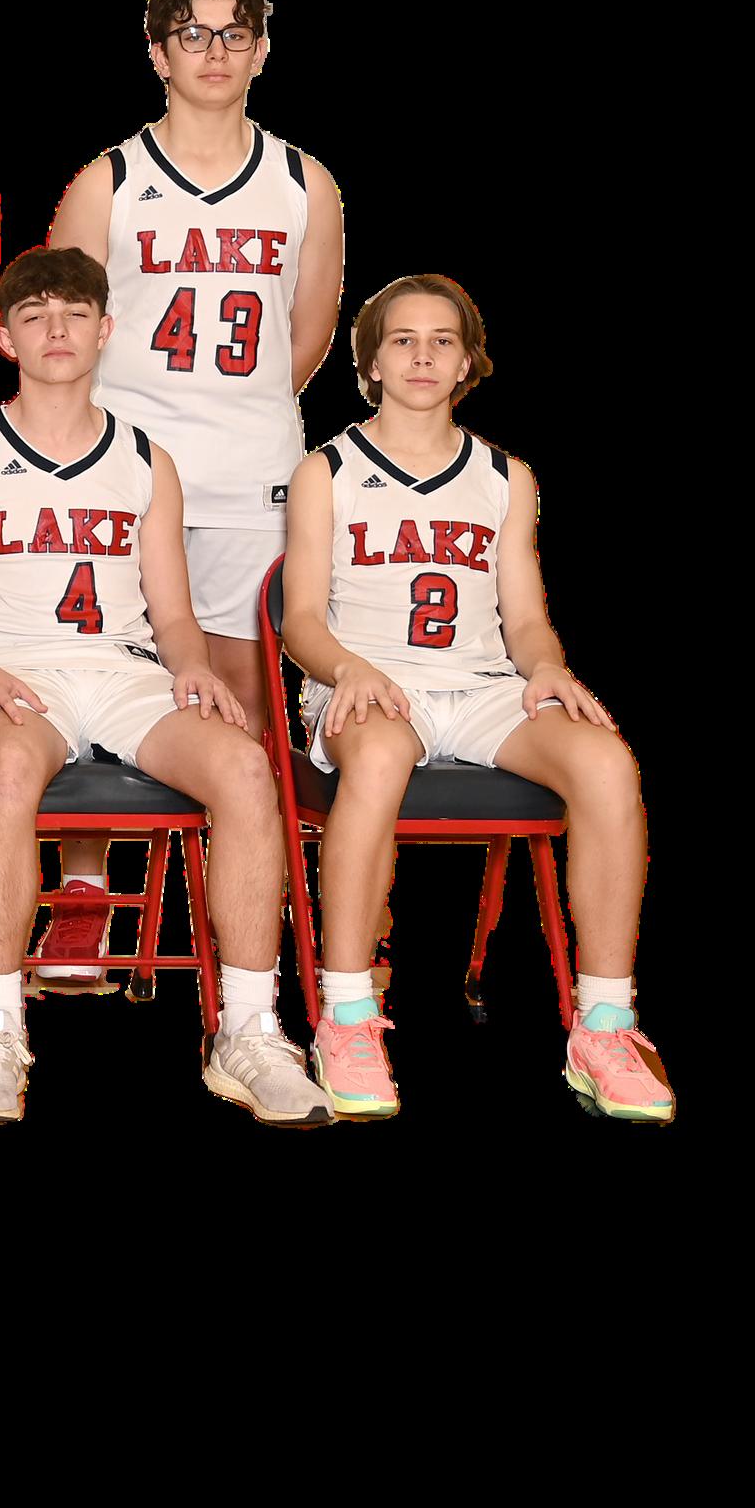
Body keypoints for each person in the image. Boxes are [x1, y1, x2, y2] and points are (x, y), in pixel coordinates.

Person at [0, 246, 329, 1125]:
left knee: (246, 766)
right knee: (12, 768)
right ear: (4, 339)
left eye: (74, 314)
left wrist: (193, 666)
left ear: (105, 329)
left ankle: (250, 1029)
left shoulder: (146, 460)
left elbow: (173, 615)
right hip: (12, 674)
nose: (56, 330)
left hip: (124, 672)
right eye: (34, 316)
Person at [282, 275, 671, 1121]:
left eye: (442, 341)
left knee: (607, 763)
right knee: (378, 758)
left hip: (485, 685)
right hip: (372, 686)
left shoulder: (505, 476)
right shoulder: (328, 470)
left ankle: (605, 1025)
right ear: (370, 363)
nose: (423, 356)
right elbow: (300, 618)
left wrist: (549, 670)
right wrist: (347, 668)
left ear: (467, 362)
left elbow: (524, 618)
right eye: (402, 340)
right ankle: (346, 1015)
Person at [39, 0, 343, 990]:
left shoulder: (304, 184)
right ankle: (85, 894)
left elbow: (306, 339)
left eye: (234, 33)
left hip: (251, 468)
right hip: (119, 470)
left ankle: (244, 906)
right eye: (193, 34)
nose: (215, 52)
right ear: (158, 53)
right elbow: (60, 328)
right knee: (96, 671)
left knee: (244, 697)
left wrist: (232, 413)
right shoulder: (109, 181)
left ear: (262, 49)